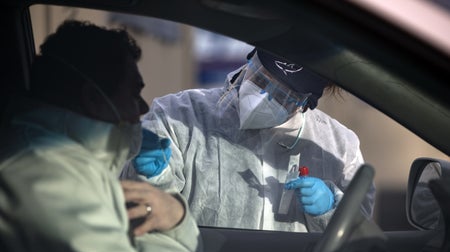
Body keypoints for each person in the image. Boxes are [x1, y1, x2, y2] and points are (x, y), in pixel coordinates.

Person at [0, 20, 221, 252]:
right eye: (134, 92)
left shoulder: (72, 164)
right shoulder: (42, 174)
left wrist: (174, 213)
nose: (142, 107)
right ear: (94, 98)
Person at [121, 48, 375, 232]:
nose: (261, 97)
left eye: (281, 95)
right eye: (260, 78)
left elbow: (360, 240)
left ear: (304, 103)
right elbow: (146, 210)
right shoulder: (179, 115)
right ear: (248, 63)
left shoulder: (337, 145)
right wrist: (152, 175)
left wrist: (332, 208)